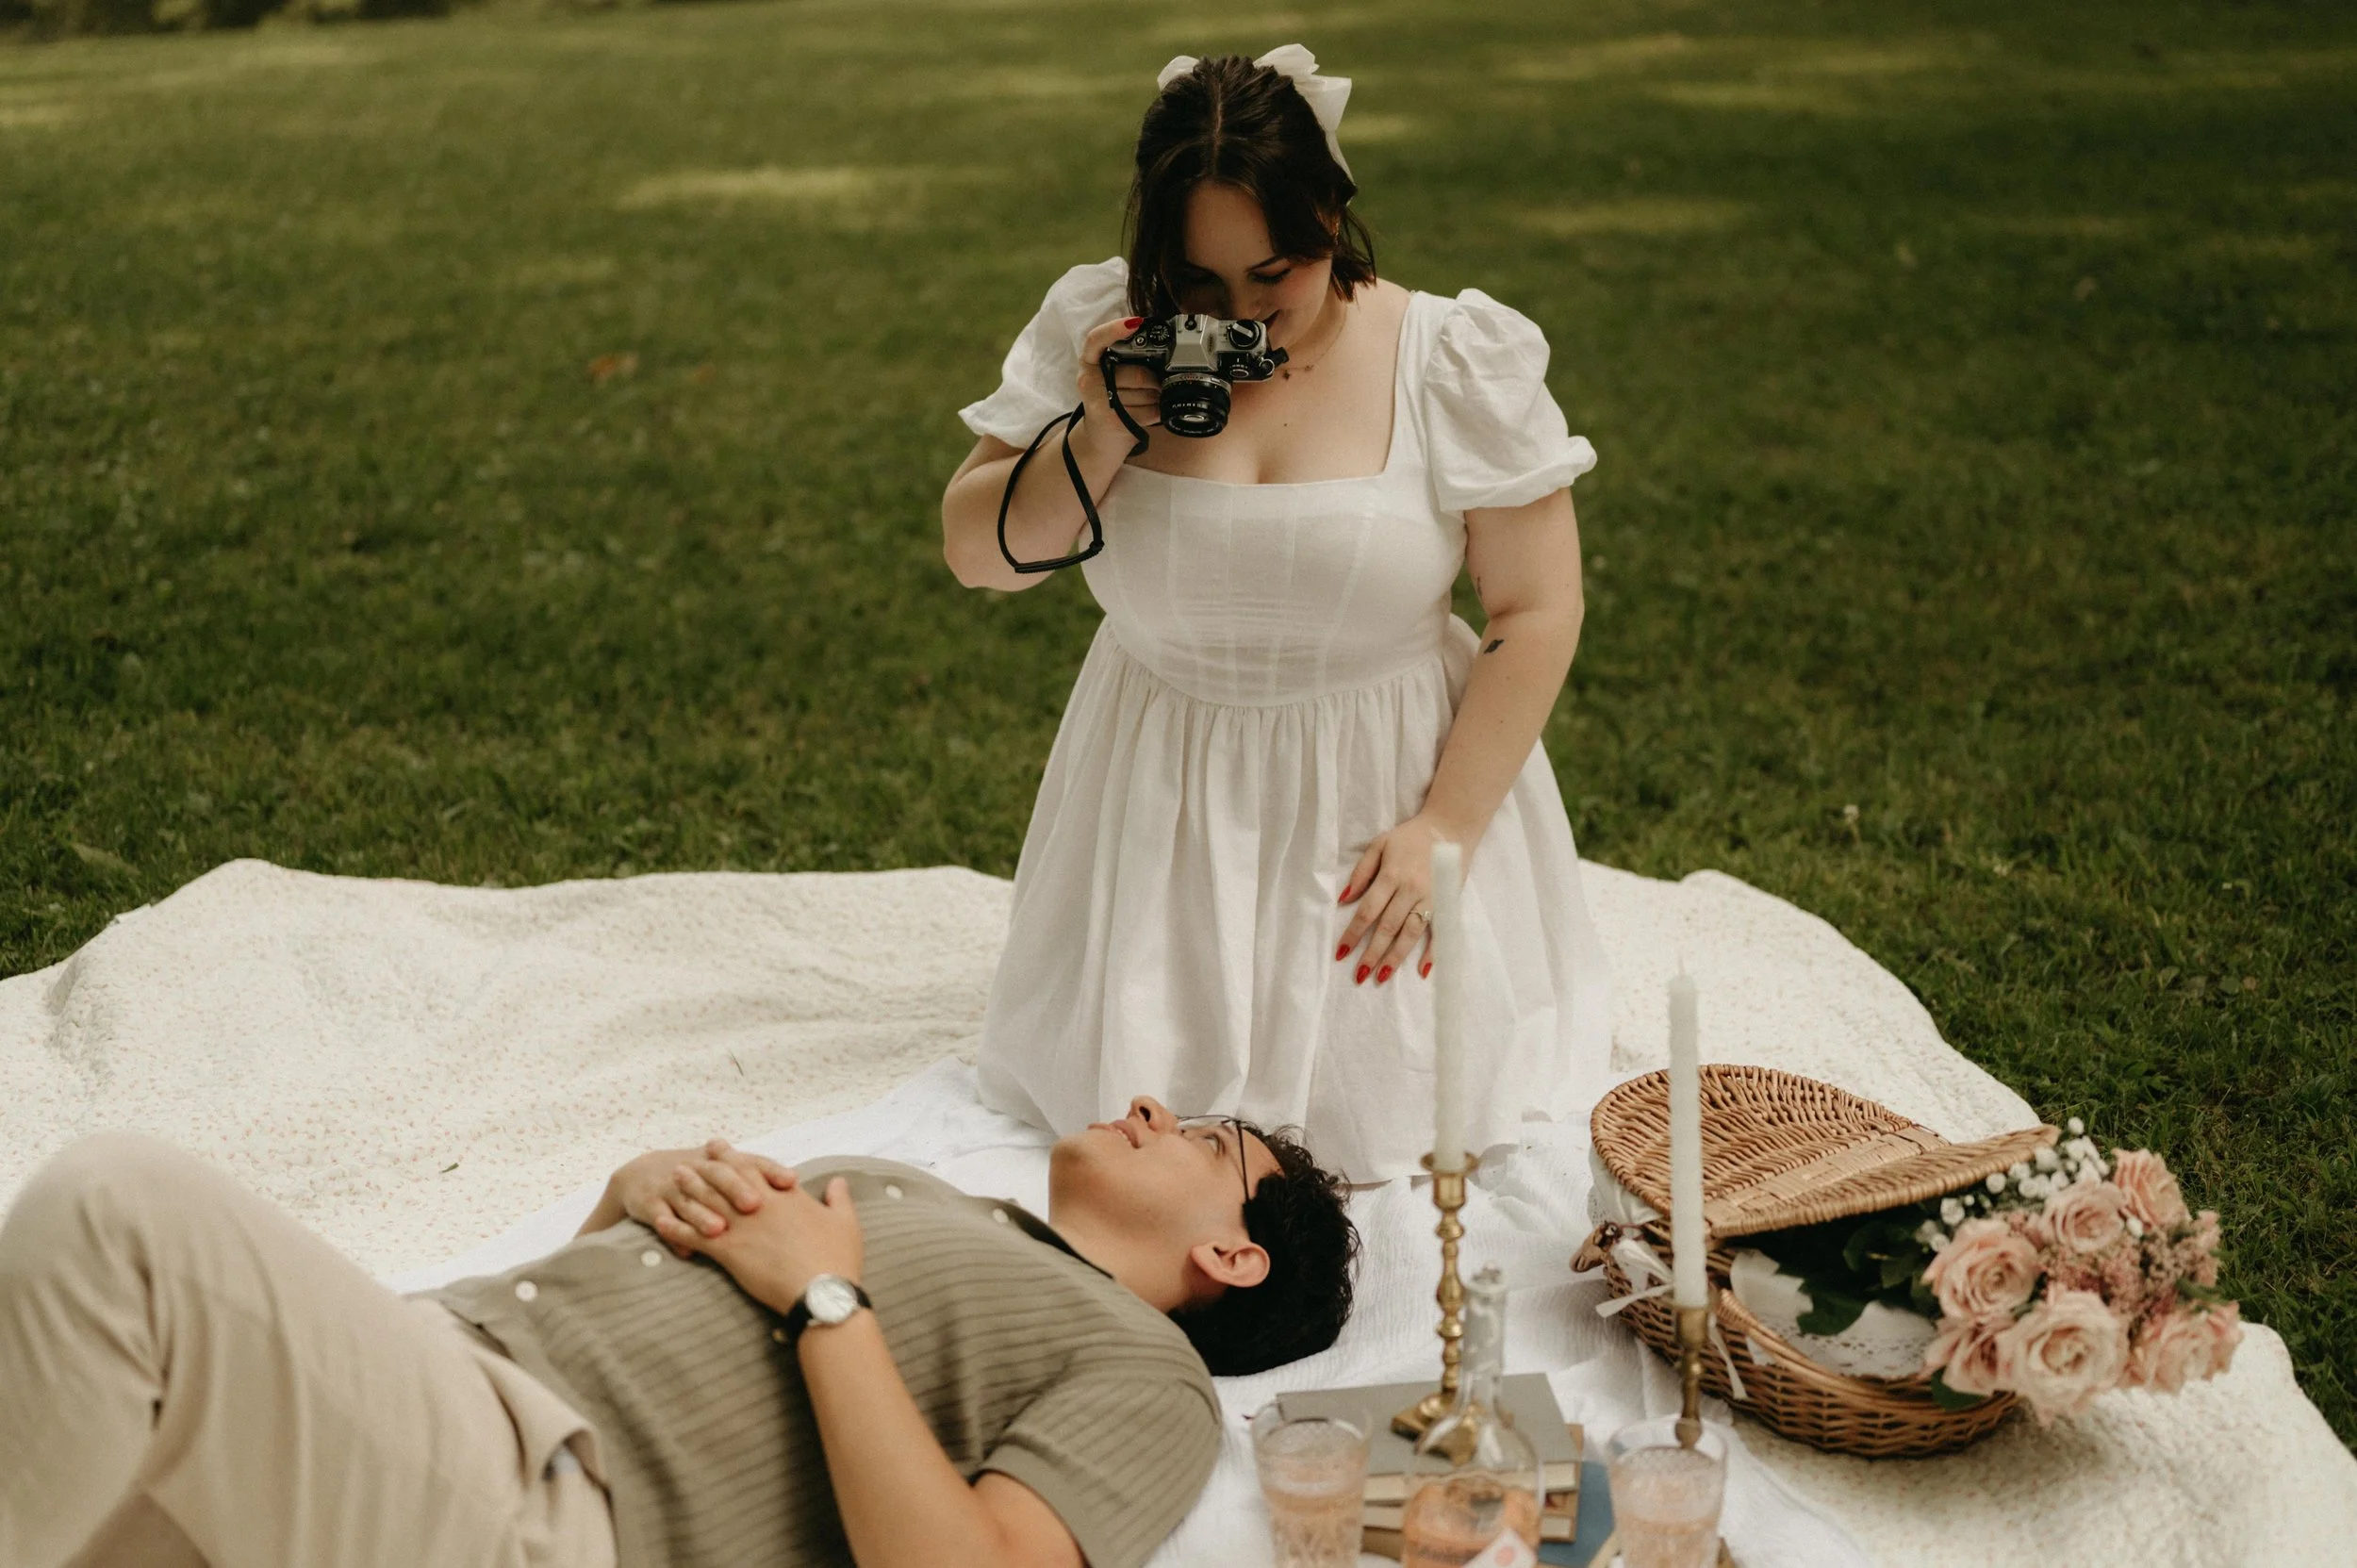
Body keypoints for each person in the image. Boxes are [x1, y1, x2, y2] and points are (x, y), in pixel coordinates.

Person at [941, 45, 1613, 1182]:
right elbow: (982, 558)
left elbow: (1535, 606)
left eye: (1276, 274)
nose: (1246, 317)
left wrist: (1444, 828)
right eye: (1198, 288)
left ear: (1333, 220)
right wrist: (1099, 432)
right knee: (1147, 1135)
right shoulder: (1103, 332)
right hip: (1157, 784)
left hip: (1385, 787)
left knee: (1390, 1124)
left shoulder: (1448, 355)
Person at [0, 1097, 1357, 1568]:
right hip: (441, 1398)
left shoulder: (1150, 1374)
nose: (1144, 1102)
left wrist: (826, 1298)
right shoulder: (947, 1199)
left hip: (552, 1506)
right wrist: (628, 1201)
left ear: (1231, 1251)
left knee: (116, 1211)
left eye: (1199, 1135)